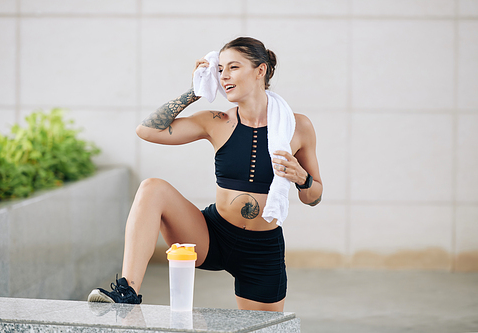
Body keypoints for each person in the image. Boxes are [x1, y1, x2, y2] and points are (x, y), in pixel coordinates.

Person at [87, 36, 323, 312]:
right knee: (152, 188)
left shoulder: (297, 126)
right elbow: (147, 131)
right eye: (220, 69)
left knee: (262, 330)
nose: (224, 76)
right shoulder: (216, 122)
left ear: (260, 71)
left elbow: (313, 197)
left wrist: (301, 178)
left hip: (261, 250)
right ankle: (127, 292)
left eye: (233, 67)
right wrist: (195, 91)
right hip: (212, 235)